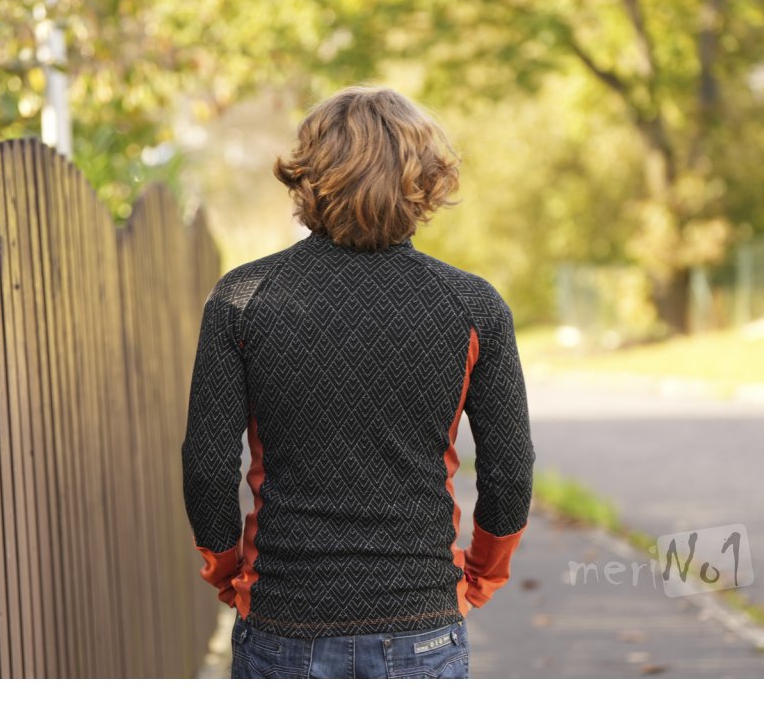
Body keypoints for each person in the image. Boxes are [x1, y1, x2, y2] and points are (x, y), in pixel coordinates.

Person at [181, 85, 535, 679]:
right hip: (422, 621)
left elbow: (207, 467)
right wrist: (481, 577)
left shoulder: (243, 298)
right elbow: (510, 470)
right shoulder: (473, 306)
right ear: (424, 179)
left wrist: (229, 575)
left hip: (283, 619)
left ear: (309, 177)